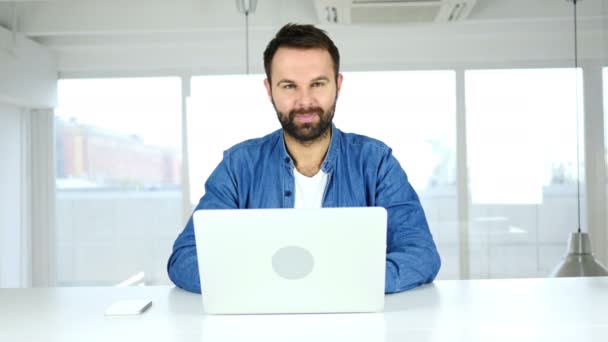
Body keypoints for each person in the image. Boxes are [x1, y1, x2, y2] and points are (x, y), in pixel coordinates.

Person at [167, 23, 440, 294]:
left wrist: (333, 283)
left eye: (318, 83)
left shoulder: (376, 162)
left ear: (338, 85)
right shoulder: (238, 167)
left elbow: (421, 254)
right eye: (289, 86)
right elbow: (185, 258)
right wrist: (274, 285)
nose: (305, 101)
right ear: (269, 89)